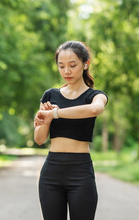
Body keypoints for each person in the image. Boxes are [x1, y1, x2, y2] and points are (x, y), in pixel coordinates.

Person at [34, 40, 108, 220]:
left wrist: (55, 114)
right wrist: (43, 120)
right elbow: (39, 139)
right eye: (61, 66)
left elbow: (94, 109)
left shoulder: (95, 96)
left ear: (85, 64)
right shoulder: (50, 95)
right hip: (51, 173)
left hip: (81, 172)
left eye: (72, 65)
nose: (66, 71)